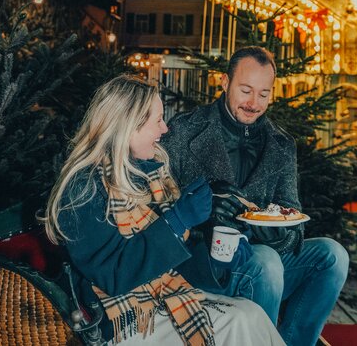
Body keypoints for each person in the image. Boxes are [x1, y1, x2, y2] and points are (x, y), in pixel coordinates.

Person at [44, 74, 285, 346]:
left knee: (251, 314)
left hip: (163, 295)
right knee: (241, 319)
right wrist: (176, 220)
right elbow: (113, 275)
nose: (164, 130)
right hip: (121, 317)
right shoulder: (84, 187)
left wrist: (214, 260)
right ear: (128, 125)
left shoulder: (150, 174)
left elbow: (172, 265)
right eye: (157, 120)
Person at [163, 46, 349, 346]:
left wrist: (278, 235)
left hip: (263, 261)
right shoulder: (185, 131)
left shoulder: (281, 145)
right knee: (267, 262)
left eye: (264, 94)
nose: (253, 103)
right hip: (204, 262)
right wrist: (202, 216)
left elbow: (294, 222)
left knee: (333, 256)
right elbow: (155, 205)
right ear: (224, 82)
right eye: (246, 90)